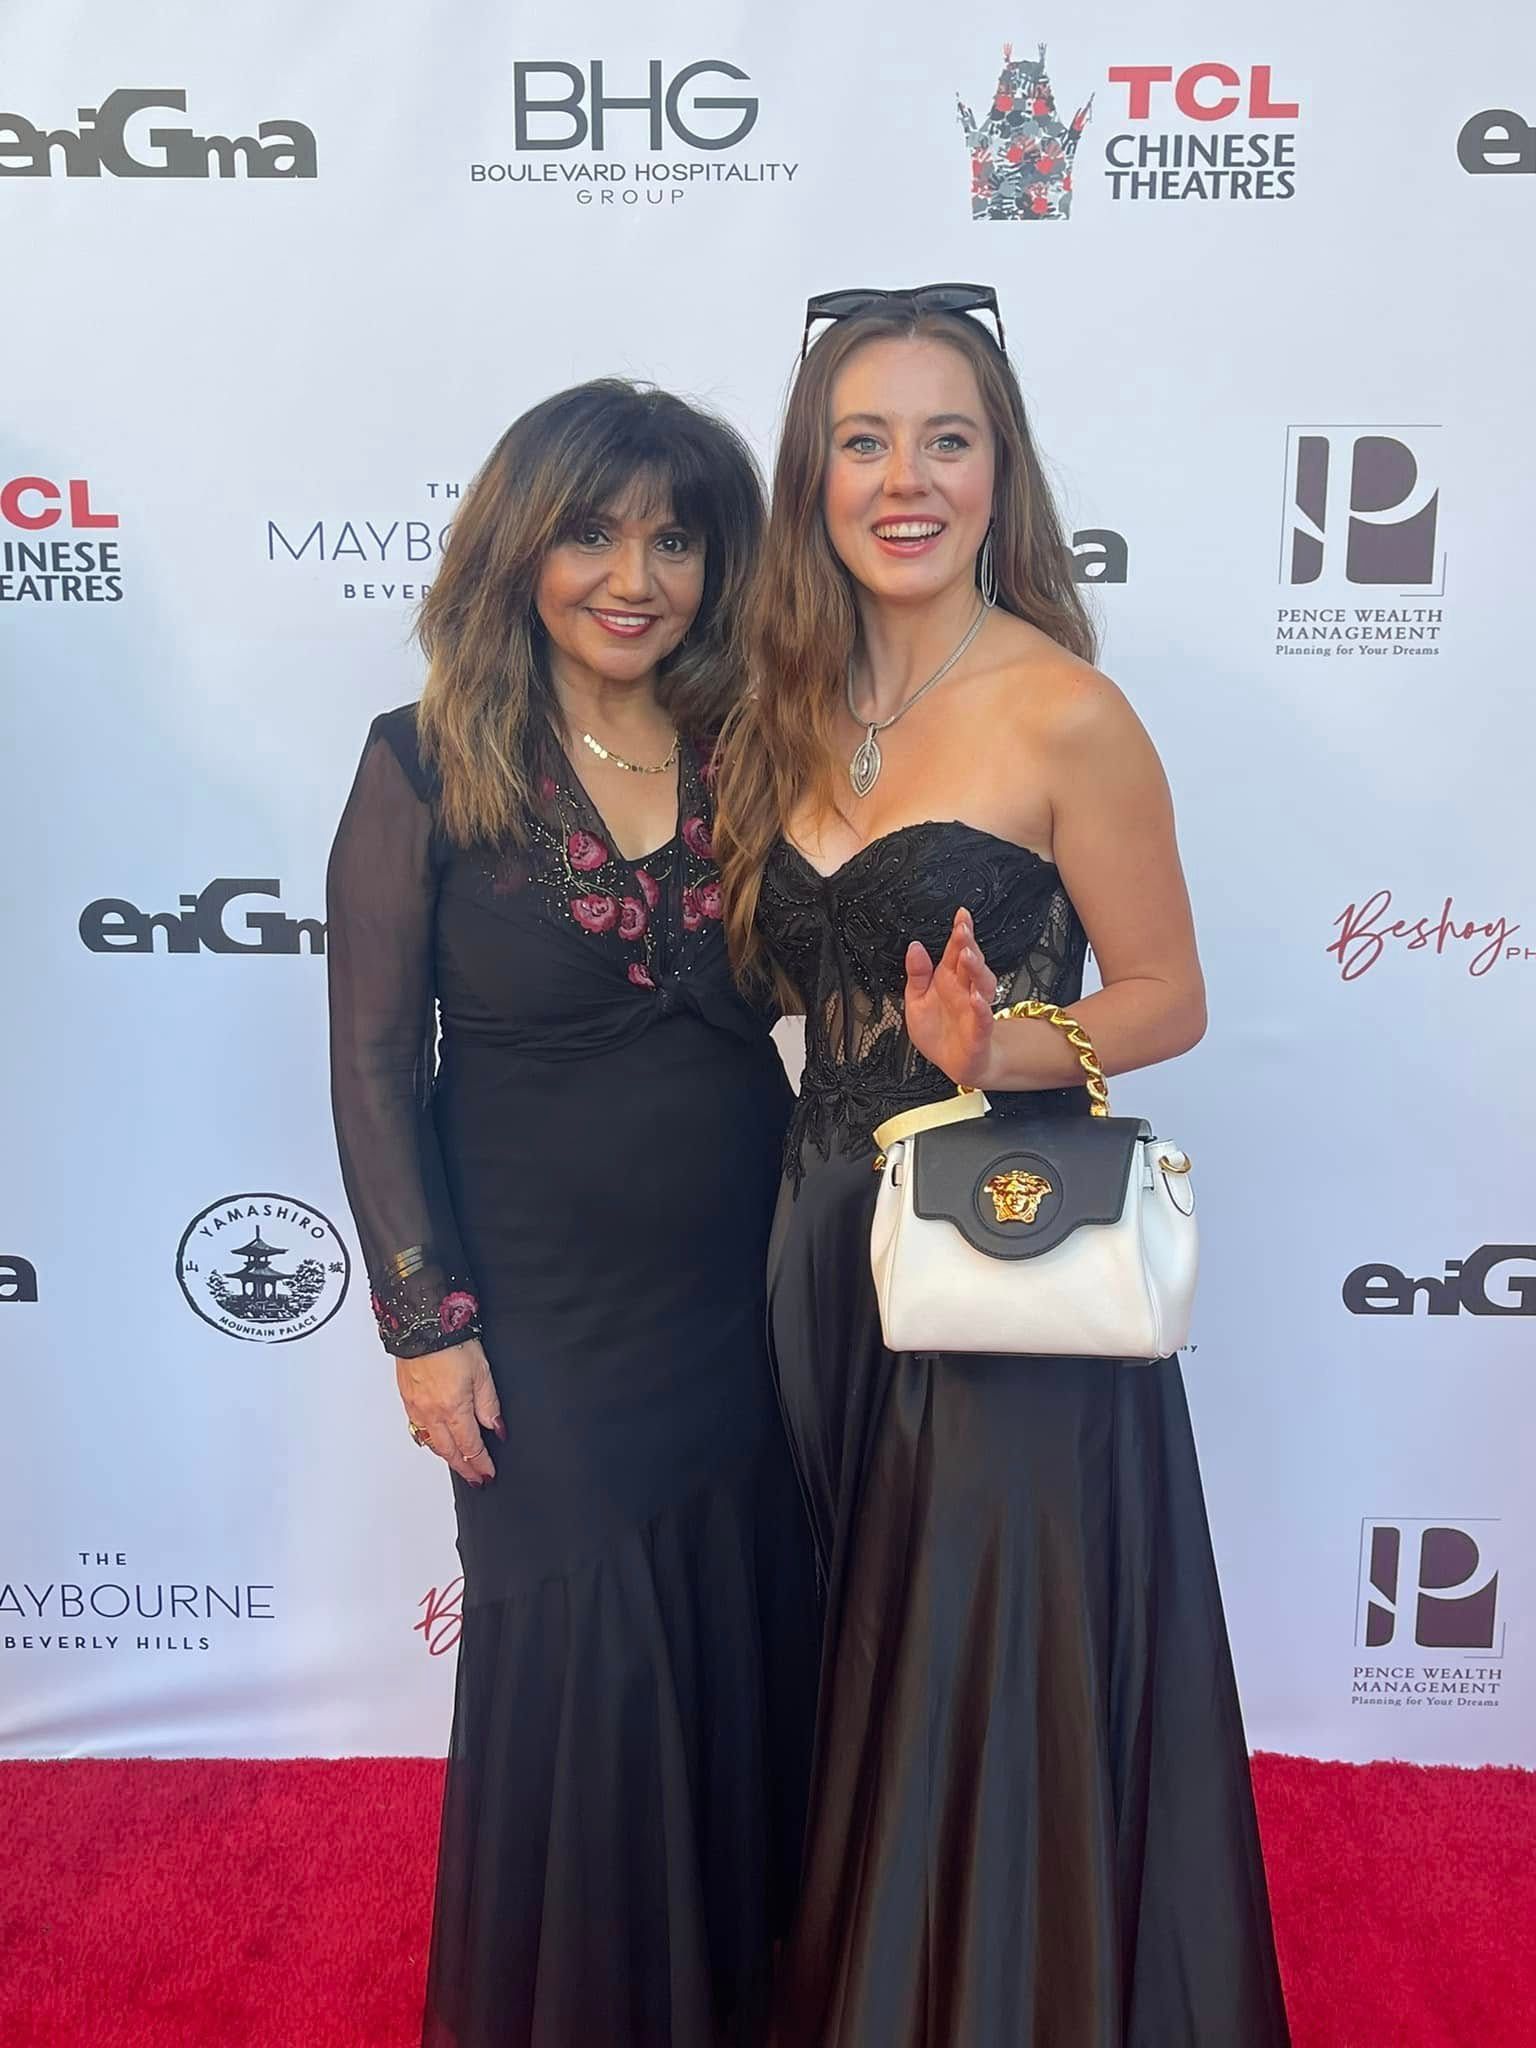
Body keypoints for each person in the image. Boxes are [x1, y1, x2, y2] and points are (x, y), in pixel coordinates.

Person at [714, 287, 1291, 2046]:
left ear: (1001, 469)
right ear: (814, 473)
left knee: (984, 1679)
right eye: (866, 440)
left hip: (1004, 1267)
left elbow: (1173, 993)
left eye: (946, 439)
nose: (907, 479)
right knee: (860, 1673)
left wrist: (1010, 1049)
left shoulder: (1062, 713)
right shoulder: (772, 711)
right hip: (820, 1249)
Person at [326, 380, 817, 2048]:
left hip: (746, 1291)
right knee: (586, 1664)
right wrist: (422, 1324)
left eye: (675, 537)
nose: (637, 574)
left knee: (740, 1634)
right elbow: (377, 1064)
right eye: (595, 530)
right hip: (535, 1307)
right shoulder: (423, 763)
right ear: (519, 545)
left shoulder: (763, 750)